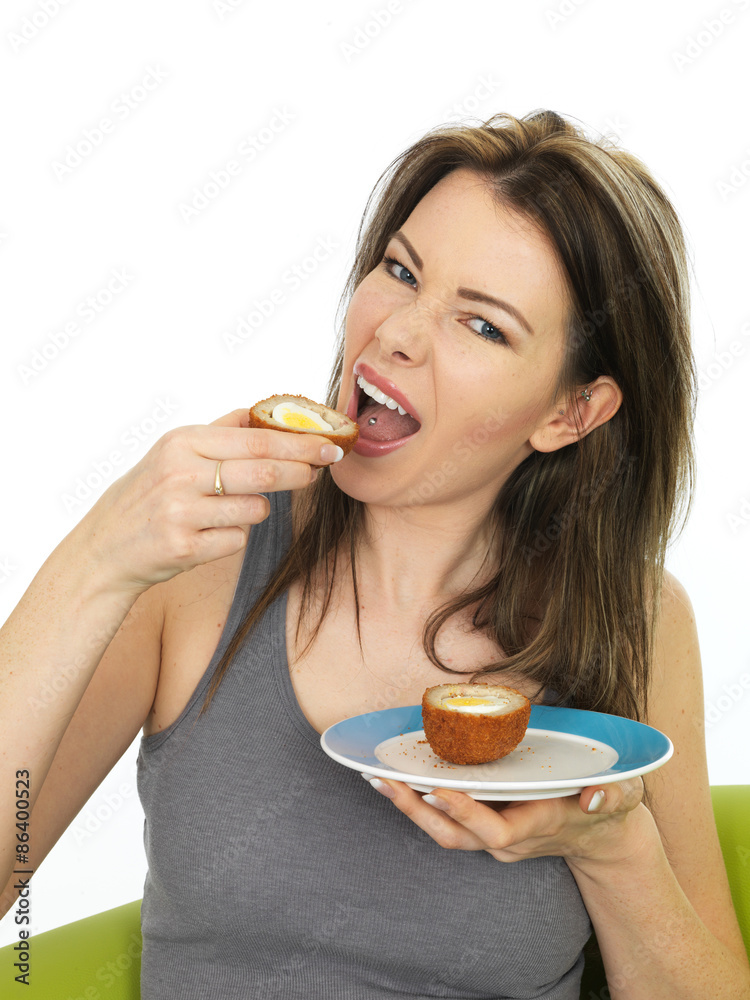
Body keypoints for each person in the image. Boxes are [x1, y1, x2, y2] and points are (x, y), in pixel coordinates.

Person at [1, 109, 748, 999]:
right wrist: (97, 558)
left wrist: (610, 847)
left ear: (570, 414)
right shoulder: (202, 558)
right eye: (400, 271)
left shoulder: (636, 620)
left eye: (484, 327)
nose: (396, 332)